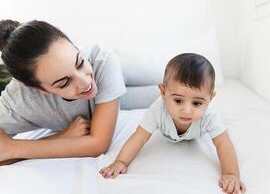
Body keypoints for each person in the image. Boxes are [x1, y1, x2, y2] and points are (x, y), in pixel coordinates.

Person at [99, 53, 246, 194]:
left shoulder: (209, 115)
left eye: (196, 103)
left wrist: (231, 173)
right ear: (163, 92)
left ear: (210, 98)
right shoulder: (158, 110)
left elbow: (223, 143)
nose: (187, 110)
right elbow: (139, 137)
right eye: (178, 100)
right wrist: (121, 162)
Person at [0, 19, 126, 165]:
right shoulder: (20, 100)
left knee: (156, 79)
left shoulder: (101, 61)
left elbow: (98, 144)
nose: (85, 82)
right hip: (107, 98)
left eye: (79, 63)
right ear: (39, 89)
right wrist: (61, 136)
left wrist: (14, 148)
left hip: (116, 70)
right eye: (64, 83)